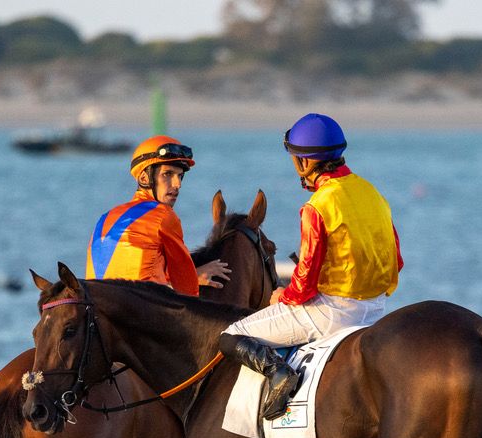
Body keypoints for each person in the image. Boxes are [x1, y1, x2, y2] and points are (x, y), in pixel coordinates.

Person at [219, 113, 403, 420]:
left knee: (231, 336)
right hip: (377, 309)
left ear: (305, 163)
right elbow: (396, 260)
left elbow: (303, 285)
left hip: (332, 313)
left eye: (295, 159)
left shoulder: (317, 206)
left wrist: (282, 296)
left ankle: (280, 375)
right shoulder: (372, 193)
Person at [86, 135, 229, 294]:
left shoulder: (105, 218)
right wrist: (197, 276)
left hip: (99, 309)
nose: (178, 184)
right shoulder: (163, 215)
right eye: (167, 174)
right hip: (143, 311)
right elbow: (186, 288)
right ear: (144, 177)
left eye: (180, 176)